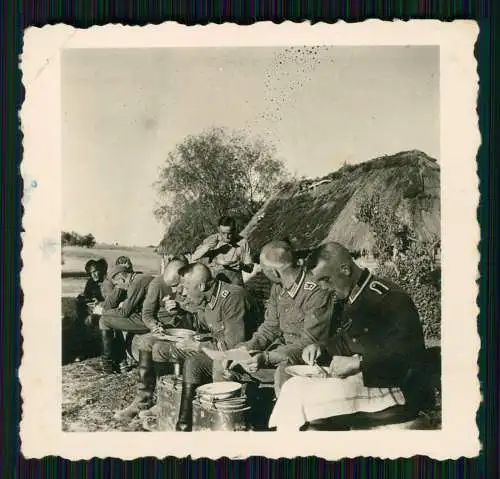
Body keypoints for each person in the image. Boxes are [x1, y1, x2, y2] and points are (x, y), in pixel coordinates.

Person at [268, 241, 427, 431]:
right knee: (293, 387)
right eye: (318, 281)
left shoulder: (389, 297)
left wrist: (358, 363)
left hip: (396, 390)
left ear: (345, 269)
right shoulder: (353, 295)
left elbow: (410, 356)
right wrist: (322, 347)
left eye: (325, 279)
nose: (322, 287)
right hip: (367, 381)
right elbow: (349, 338)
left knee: (304, 404)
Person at [227, 240, 336, 396]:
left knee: (282, 373)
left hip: (310, 358)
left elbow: (309, 342)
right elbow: (270, 326)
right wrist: (247, 347)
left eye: (263, 269)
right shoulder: (278, 287)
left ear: (274, 273)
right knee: (227, 363)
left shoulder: (316, 291)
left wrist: (266, 357)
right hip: (281, 353)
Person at [174, 263, 260, 431]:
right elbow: (212, 330)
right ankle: (184, 426)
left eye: (186, 287)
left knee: (212, 363)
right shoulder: (209, 297)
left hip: (245, 356)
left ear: (201, 286)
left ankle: (219, 425)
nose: (184, 293)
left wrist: (199, 346)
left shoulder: (233, 298)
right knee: (193, 363)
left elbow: (232, 347)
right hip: (222, 352)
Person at [113, 257, 195, 421]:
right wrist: (154, 326)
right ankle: (143, 399)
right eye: (170, 285)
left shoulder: (194, 283)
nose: (175, 290)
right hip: (165, 329)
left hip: (188, 330)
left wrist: (181, 309)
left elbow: (200, 312)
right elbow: (147, 313)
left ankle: (168, 397)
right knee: (145, 342)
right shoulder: (157, 284)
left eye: (177, 285)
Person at [98, 265, 154, 373]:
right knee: (111, 317)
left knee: (104, 321)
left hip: (150, 320)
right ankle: (115, 362)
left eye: (117, 284)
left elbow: (124, 312)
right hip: (149, 316)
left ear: (122, 279)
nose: (118, 287)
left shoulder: (136, 284)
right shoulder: (140, 278)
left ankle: (107, 365)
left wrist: (102, 312)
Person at [191, 216, 254, 286]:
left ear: (234, 230)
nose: (226, 237)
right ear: (219, 230)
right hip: (215, 282)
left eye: (229, 233)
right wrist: (207, 247)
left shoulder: (242, 242)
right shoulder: (212, 240)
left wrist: (242, 266)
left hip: (235, 283)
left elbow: (250, 269)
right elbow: (193, 258)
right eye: (223, 233)